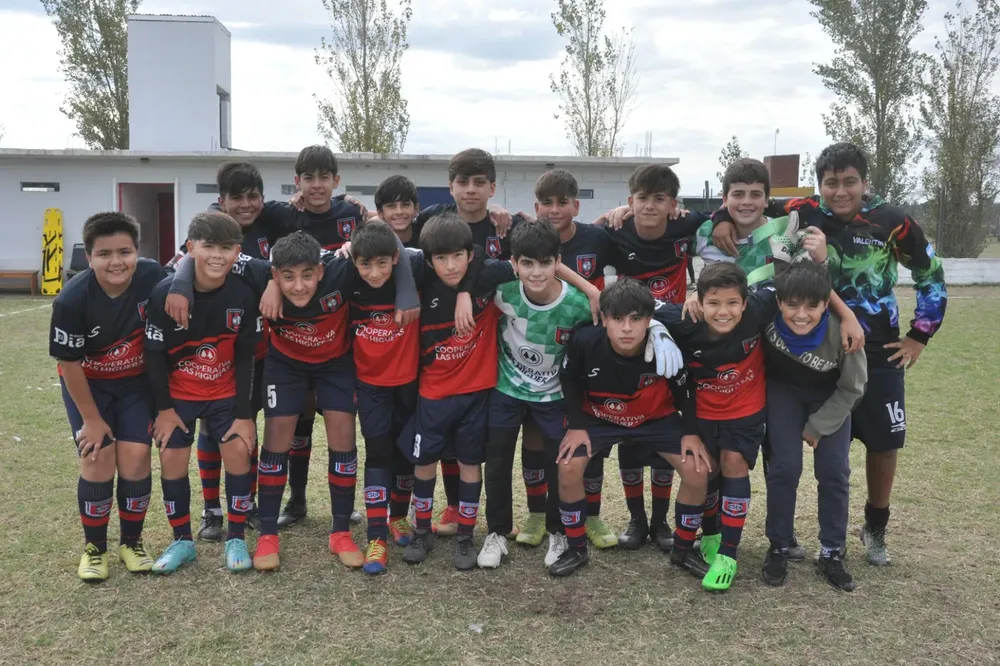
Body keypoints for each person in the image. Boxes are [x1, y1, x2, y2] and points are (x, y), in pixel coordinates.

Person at [712, 142, 948, 565]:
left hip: (875, 347)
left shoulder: (892, 221)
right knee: (782, 449)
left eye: (850, 182)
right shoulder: (802, 211)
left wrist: (920, 334)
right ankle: (783, 536)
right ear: (820, 184)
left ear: (864, 181)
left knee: (883, 441)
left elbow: (930, 273)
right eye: (831, 183)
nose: (840, 191)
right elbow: (749, 204)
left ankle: (875, 527)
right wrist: (719, 219)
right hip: (804, 345)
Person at [397, 212, 598, 570]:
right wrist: (465, 292)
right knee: (496, 462)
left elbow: (613, 324)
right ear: (515, 264)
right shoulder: (501, 290)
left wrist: (594, 290)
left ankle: (558, 532)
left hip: (552, 395)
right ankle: (495, 532)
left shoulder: (578, 305)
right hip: (504, 389)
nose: (535, 273)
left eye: (545, 264)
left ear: (557, 262)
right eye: (527, 264)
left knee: (557, 462)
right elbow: (457, 259)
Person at [554, 278, 713, 578]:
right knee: (568, 466)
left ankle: (683, 549)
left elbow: (685, 388)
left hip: (655, 418)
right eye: (617, 319)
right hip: (600, 417)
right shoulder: (585, 340)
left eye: (636, 319)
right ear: (604, 318)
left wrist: (691, 432)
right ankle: (576, 548)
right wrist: (576, 425)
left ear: (649, 320)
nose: (626, 328)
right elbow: (569, 379)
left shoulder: (666, 346)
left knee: (698, 469)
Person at [593, 164, 709, 552]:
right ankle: (636, 519)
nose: (650, 206)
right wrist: (606, 215)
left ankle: (660, 522)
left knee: (663, 422)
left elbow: (723, 219)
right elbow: (582, 238)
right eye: (641, 199)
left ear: (673, 204)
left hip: (672, 335)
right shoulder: (617, 230)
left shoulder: (687, 224)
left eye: (660, 199)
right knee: (632, 422)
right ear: (630, 201)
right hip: (631, 333)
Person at [409, 148, 520, 536]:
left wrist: (467, 292)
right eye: (462, 182)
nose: (470, 190)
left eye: (479, 183)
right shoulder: (430, 220)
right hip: (440, 352)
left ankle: (490, 517)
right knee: (441, 441)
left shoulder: (506, 225)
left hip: (491, 347)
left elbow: (525, 258)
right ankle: (453, 507)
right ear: (450, 186)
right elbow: (390, 231)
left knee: (477, 445)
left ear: (492, 187)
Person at [143, 212, 261, 574]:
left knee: (239, 453)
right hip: (179, 395)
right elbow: (153, 355)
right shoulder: (165, 293)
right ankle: (182, 541)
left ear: (237, 252)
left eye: (226, 248)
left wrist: (244, 414)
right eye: (209, 246)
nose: (217, 255)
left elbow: (246, 356)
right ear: (191, 247)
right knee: (171, 460)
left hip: (225, 393)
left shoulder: (243, 294)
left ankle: (236, 537)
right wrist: (164, 410)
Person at [51, 212, 165, 581]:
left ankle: (131, 542)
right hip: (90, 388)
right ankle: (94, 549)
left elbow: (185, 277)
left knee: (136, 458)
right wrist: (91, 419)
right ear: (89, 257)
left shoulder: (152, 275)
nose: (116, 262)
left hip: (135, 386)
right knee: (97, 457)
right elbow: (69, 364)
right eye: (104, 254)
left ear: (137, 252)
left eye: (124, 252)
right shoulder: (71, 300)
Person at [655, 263, 781, 591]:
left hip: (745, 410)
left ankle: (728, 554)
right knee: (706, 471)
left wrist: (847, 317)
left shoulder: (759, 306)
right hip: (701, 413)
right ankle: (709, 534)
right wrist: (655, 327)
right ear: (699, 301)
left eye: (732, 303)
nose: (723, 312)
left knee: (734, 464)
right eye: (713, 303)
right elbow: (636, 300)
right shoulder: (683, 318)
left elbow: (793, 280)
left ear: (745, 302)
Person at [514, 169, 621, 551]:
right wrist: (588, 286)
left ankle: (591, 514)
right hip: (539, 356)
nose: (555, 210)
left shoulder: (597, 237)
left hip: (587, 354)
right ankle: (536, 513)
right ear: (536, 207)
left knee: (590, 437)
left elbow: (631, 258)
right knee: (535, 436)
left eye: (563, 203)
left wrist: (621, 210)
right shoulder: (526, 238)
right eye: (547, 203)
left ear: (576, 206)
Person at [761, 261, 868, 590]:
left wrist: (819, 425)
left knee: (834, 471)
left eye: (811, 306)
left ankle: (832, 551)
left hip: (829, 396)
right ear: (779, 302)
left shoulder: (843, 332)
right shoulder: (765, 318)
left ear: (826, 304)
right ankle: (779, 545)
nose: (801, 314)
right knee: (784, 468)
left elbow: (853, 387)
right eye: (792, 305)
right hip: (782, 393)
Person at [347, 221, 427, 573]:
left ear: (396, 258)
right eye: (365, 264)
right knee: (378, 452)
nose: (375, 272)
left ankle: (398, 517)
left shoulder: (415, 269)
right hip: (370, 385)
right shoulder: (346, 277)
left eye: (382, 263)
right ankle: (376, 536)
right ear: (354, 261)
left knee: (406, 450)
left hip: (410, 381)